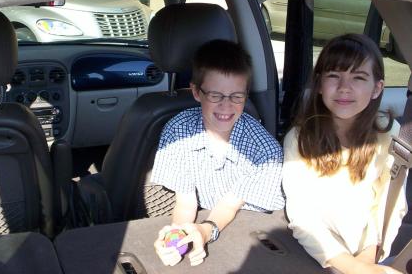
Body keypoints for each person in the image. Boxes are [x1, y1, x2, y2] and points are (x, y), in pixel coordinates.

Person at [151, 39, 285, 267]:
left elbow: (230, 205)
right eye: (215, 96)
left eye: (236, 96)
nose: (226, 106)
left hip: (252, 230)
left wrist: (204, 231)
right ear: (196, 92)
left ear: (246, 94)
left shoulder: (265, 152)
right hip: (209, 219)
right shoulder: (179, 131)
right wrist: (178, 234)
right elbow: (185, 202)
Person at [282, 33, 408, 274]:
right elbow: (302, 215)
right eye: (333, 76)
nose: (344, 88)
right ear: (319, 84)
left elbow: (388, 204)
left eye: (358, 77)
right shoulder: (300, 139)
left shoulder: (389, 135)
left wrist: (368, 259)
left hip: (370, 255)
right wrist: (352, 267)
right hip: (318, 255)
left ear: (377, 88)